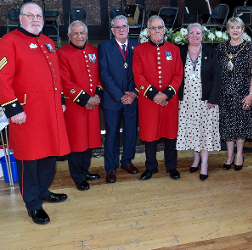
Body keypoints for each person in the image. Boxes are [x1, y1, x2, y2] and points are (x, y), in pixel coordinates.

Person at [0, 2, 70, 225]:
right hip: (26, 113)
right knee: (28, 158)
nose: (36, 19)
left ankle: (42, 191)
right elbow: (2, 78)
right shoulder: (8, 42)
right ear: (20, 19)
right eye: (30, 15)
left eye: (39, 15)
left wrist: (60, 101)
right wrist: (12, 108)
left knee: (49, 154)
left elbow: (56, 75)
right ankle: (32, 204)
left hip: (50, 111)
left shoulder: (48, 42)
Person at [132, 16, 183, 180]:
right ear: (148, 31)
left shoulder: (174, 49)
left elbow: (178, 75)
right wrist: (154, 95)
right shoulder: (139, 50)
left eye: (160, 27)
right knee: (150, 135)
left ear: (165, 29)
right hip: (149, 101)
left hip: (169, 100)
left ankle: (171, 167)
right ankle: (151, 166)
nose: (157, 31)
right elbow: (138, 77)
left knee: (170, 135)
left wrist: (166, 94)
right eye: (153, 28)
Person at [58, 21, 103, 191]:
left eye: (82, 33)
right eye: (75, 33)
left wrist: (98, 95)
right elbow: (65, 81)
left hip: (93, 104)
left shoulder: (93, 50)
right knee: (77, 142)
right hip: (75, 105)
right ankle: (78, 176)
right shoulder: (61, 53)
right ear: (68, 36)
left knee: (89, 140)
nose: (79, 36)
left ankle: (84, 171)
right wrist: (86, 99)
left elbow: (99, 75)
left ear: (87, 34)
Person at [177, 23, 221, 181]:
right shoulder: (181, 51)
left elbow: (217, 76)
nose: (195, 36)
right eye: (191, 33)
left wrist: (213, 99)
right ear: (187, 35)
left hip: (206, 101)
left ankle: (204, 164)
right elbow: (176, 75)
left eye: (198, 33)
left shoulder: (210, 51)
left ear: (203, 35)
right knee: (192, 131)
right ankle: (195, 159)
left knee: (205, 132)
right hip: (187, 101)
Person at [98, 15, 139, 183]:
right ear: (112, 30)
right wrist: (121, 95)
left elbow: (142, 73)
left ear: (128, 29)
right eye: (117, 27)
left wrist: (134, 93)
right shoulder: (104, 47)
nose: (121, 30)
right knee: (112, 134)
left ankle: (127, 161)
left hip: (132, 99)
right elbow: (104, 74)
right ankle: (110, 167)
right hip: (112, 99)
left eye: (124, 26)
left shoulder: (138, 47)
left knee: (130, 133)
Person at [216, 17, 252, 172]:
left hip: (243, 93)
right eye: (232, 27)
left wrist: (251, 94)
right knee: (227, 125)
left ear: (243, 30)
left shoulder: (249, 47)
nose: (235, 30)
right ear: (228, 30)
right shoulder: (221, 47)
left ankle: (239, 155)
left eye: (238, 27)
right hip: (225, 93)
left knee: (241, 125)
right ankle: (229, 156)